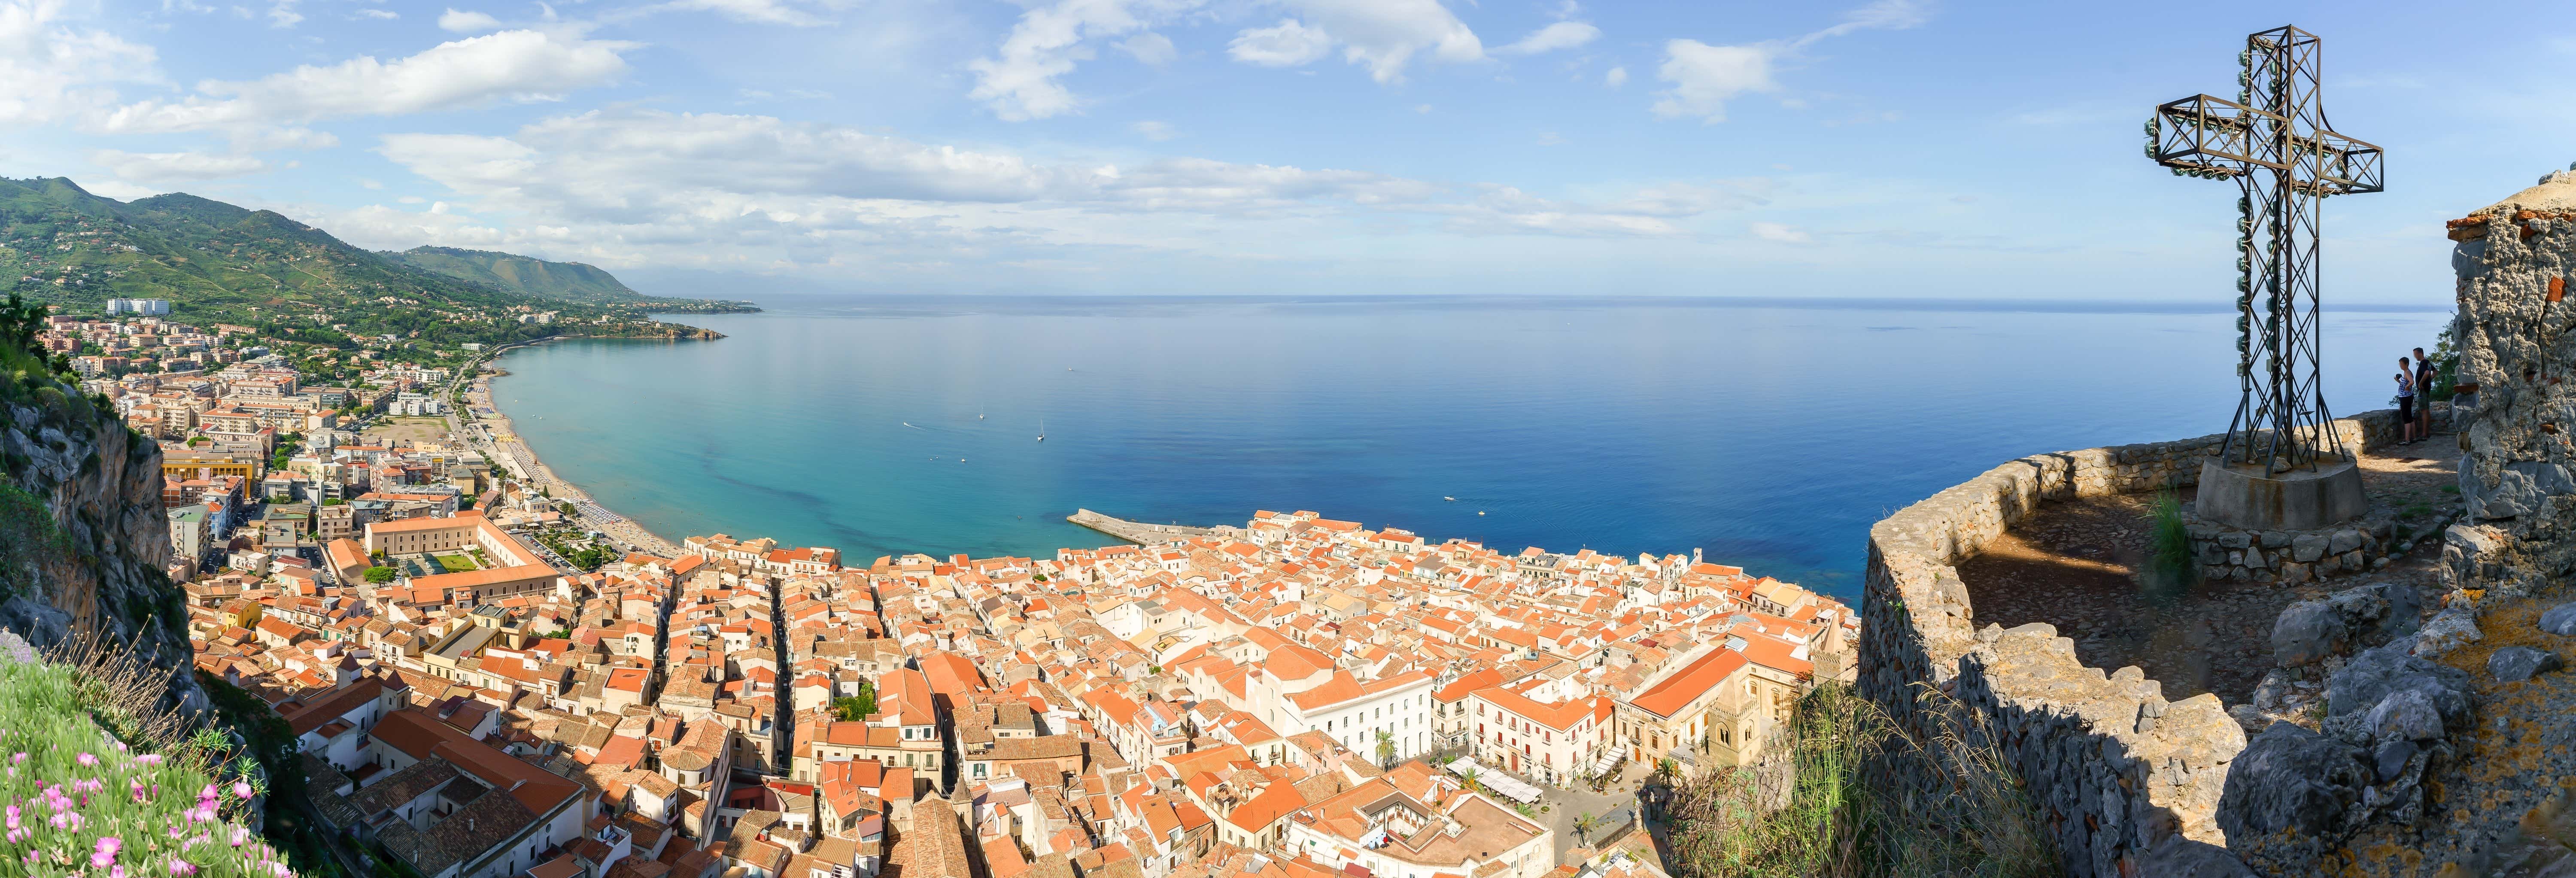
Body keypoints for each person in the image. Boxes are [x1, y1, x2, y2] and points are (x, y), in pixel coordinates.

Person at [2414, 346, 2439, 441]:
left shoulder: (2424, 363)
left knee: (2424, 411)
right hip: (2427, 389)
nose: (2415, 356)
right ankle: (2426, 432)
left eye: (2416, 354)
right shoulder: (2428, 362)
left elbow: (2427, 373)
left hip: (2423, 391)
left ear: (2420, 353)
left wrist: (2421, 383)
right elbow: (2436, 372)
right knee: (2426, 410)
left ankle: (2424, 434)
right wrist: (2429, 381)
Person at [2396, 356, 2418, 444]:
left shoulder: (2407, 373)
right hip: (2408, 397)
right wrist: (2399, 382)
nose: (2400, 365)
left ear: (2406, 364)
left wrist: (2407, 387)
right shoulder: (2406, 373)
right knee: (2410, 418)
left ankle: (2407, 439)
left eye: (2401, 364)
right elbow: (2407, 383)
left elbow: (2412, 382)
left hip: (2405, 398)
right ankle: (2414, 437)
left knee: (2406, 419)